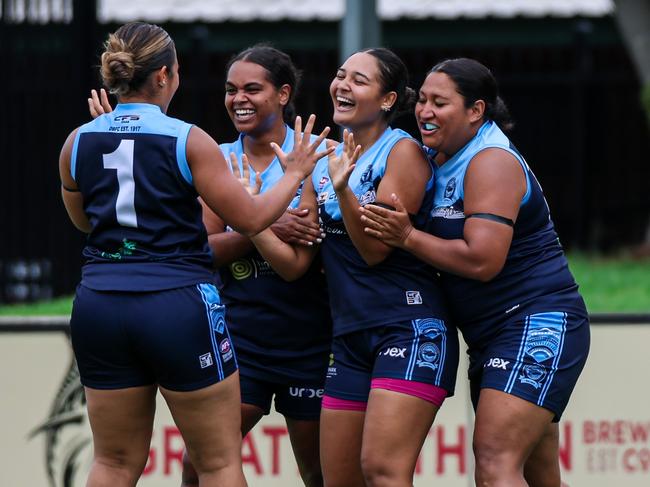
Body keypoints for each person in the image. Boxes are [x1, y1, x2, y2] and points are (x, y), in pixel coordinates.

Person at [59, 22, 331, 487]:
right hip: (174, 301)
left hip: (99, 302)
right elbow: (251, 218)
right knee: (218, 463)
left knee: (112, 462)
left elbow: (85, 222)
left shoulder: (78, 140)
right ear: (165, 75)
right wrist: (296, 173)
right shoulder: (188, 138)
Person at [360, 57, 590, 486]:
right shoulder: (433, 154)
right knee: (536, 473)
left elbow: (483, 262)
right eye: (423, 100)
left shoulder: (490, 161)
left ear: (476, 110)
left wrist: (408, 237)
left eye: (440, 103)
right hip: (490, 335)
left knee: (494, 462)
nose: (425, 111)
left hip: (536, 321)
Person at [249, 48, 459, 487]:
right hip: (348, 336)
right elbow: (293, 265)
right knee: (337, 480)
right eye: (341, 75)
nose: (342, 85)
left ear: (386, 100)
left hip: (408, 326)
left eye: (358, 81)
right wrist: (252, 218)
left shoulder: (402, 152)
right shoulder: (321, 160)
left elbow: (374, 251)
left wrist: (344, 190)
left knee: (383, 471)